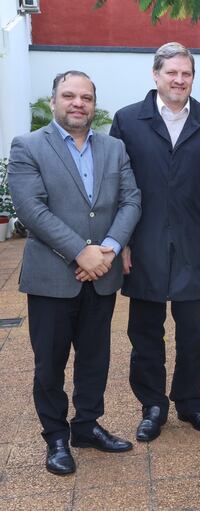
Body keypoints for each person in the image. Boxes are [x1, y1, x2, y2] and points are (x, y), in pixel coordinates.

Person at [8, 71, 141, 475]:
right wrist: (80, 252)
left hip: (102, 274)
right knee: (49, 362)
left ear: (94, 104)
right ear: (54, 101)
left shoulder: (114, 148)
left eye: (85, 97)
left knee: (95, 357)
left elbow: (131, 200)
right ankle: (55, 438)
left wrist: (109, 250)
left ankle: (86, 426)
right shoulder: (28, 146)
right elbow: (31, 209)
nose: (78, 103)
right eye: (69, 95)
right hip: (52, 276)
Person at [110, 42, 200, 442]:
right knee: (145, 333)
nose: (179, 80)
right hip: (145, 240)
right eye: (172, 73)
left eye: (186, 74)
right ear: (155, 75)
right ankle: (153, 406)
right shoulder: (128, 120)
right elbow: (115, 183)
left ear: (192, 78)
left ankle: (190, 403)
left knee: (192, 334)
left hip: (193, 242)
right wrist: (122, 241)